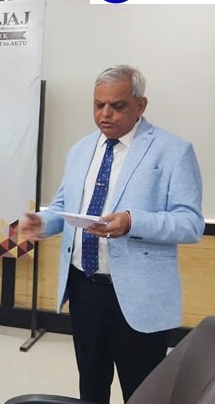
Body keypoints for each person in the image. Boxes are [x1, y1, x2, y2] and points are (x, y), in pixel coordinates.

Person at [18, 65, 204, 403]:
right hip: (84, 289)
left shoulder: (173, 151)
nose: (105, 114)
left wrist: (132, 222)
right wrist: (43, 223)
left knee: (143, 392)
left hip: (138, 295)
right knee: (91, 385)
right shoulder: (81, 150)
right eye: (98, 104)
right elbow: (63, 206)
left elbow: (190, 223)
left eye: (117, 106)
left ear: (140, 105)